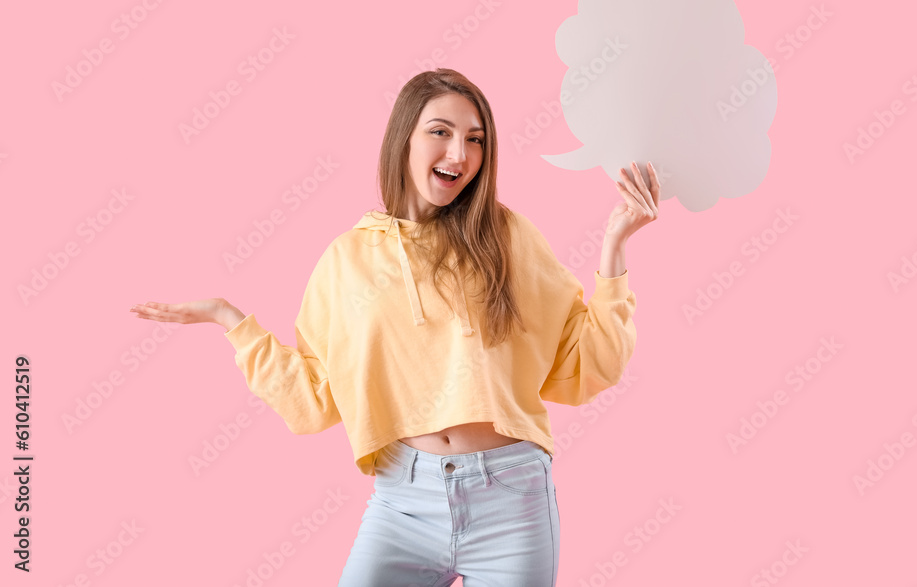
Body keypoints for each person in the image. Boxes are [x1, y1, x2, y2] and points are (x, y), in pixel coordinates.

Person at [130, 68, 659, 586]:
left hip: (511, 500)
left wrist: (615, 248)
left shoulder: (508, 237)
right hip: (404, 500)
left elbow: (590, 364)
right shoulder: (348, 259)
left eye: (475, 140)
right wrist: (232, 321)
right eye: (440, 132)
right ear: (403, 139)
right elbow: (313, 399)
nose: (459, 154)